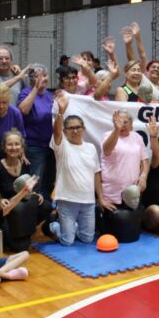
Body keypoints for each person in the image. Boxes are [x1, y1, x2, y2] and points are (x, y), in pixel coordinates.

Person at [48, 92, 100, 246]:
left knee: (87, 239)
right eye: (71, 128)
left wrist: (101, 198)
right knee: (67, 241)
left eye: (78, 127)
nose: (75, 131)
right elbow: (56, 132)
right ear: (65, 132)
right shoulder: (62, 146)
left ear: (83, 129)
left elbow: (97, 173)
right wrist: (61, 113)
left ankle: (71, 227)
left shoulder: (91, 148)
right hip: (67, 200)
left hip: (88, 201)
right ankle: (53, 225)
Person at [0, 130, 51, 250]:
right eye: (10, 144)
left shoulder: (25, 164)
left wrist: (35, 194)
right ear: (3, 147)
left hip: (23, 206)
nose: (14, 147)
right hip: (8, 210)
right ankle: (18, 233)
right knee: (20, 247)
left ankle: (27, 230)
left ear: (22, 147)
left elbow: (26, 186)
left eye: (17, 144)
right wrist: (0, 199)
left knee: (46, 205)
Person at [97, 110, 149, 232]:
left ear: (131, 124)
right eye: (119, 122)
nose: (123, 125)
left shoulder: (137, 137)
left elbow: (145, 161)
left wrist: (144, 175)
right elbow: (107, 150)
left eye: (125, 122)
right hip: (111, 194)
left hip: (132, 194)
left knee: (130, 236)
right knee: (111, 234)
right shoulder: (108, 135)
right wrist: (116, 130)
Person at [17, 65, 56, 199]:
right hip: (34, 146)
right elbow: (23, 110)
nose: (43, 79)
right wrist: (35, 88)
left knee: (49, 180)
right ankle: (32, 208)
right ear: (32, 78)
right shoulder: (26, 92)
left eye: (45, 75)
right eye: (39, 76)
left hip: (51, 145)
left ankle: (45, 211)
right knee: (35, 181)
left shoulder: (50, 95)